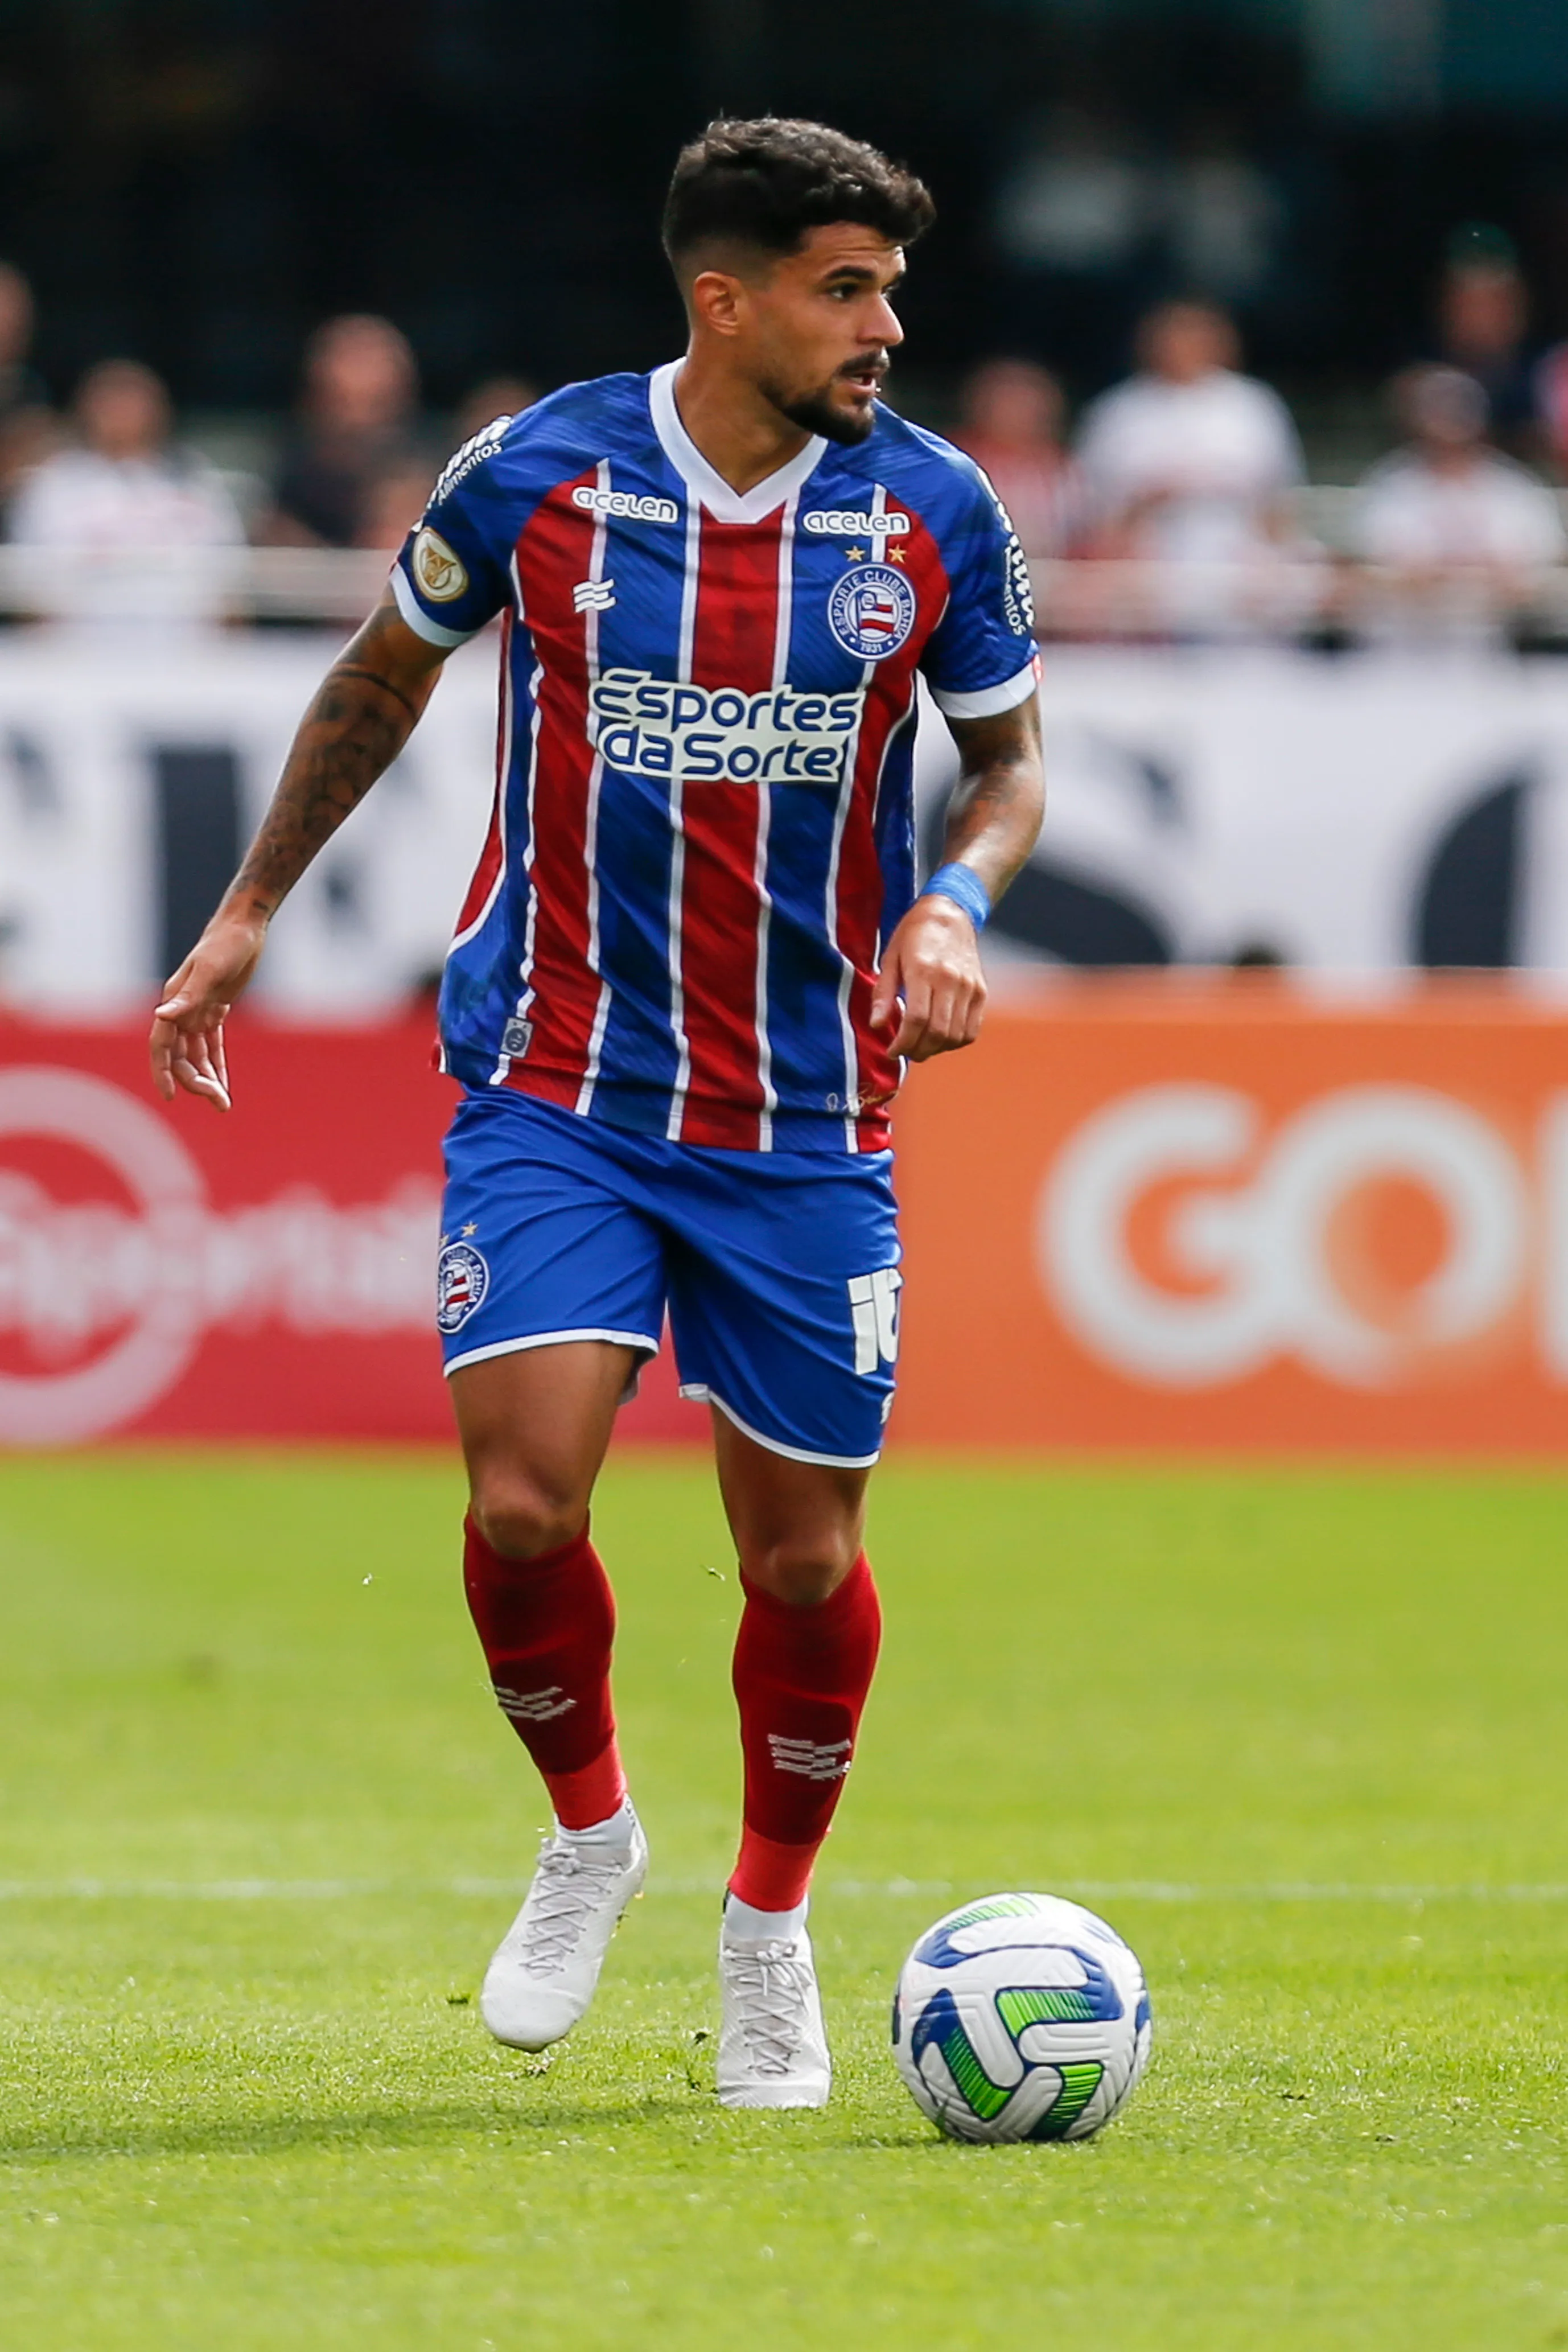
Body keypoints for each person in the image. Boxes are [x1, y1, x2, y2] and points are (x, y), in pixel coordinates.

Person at [149, 117, 1044, 2110]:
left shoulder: (930, 514)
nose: (886, 321)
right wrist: (242, 921)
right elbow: (376, 685)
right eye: (845, 285)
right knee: (523, 1495)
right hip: (557, 1086)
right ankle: (587, 1832)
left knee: (800, 1560)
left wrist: (953, 898)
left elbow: (1007, 768)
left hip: (810, 1111)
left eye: (890, 285)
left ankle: (766, 1930)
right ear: (720, 298)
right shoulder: (544, 471)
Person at [1073, 298, 1306, 633]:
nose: (1183, 348)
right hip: (1148, 573)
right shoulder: (1119, 412)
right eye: (1173, 337)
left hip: (1237, 568)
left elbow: (1277, 501)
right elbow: (1096, 513)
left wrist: (1275, 562)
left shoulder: (1253, 406)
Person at [7, 357, 243, 623]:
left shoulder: (194, 478)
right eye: (111, 401)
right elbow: (28, 588)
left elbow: (231, 583)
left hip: (183, 649)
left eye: (134, 401)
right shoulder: (54, 484)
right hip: (79, 650)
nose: (123, 412)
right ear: (86, 409)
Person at [1355, 364, 1565, 640]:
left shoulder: (1512, 487)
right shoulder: (1392, 485)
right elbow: (1375, 569)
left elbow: (1543, 568)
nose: (1448, 422)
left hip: (1495, 645)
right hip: (1408, 643)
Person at [262, 314, 422, 549]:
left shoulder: (434, 489)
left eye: (375, 404)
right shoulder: (289, 485)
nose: (357, 423)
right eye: (341, 402)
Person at [954, 357, 1082, 557]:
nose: (1022, 412)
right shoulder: (955, 463)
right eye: (1010, 401)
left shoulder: (1062, 468)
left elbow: (1086, 538)